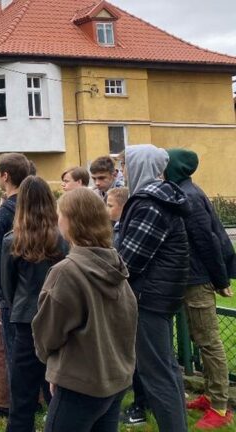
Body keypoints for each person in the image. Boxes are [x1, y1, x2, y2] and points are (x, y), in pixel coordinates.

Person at [33, 188, 138, 432]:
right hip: (115, 378)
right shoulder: (115, 263)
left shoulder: (67, 272)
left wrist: (56, 369)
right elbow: (128, 318)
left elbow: (47, 333)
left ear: (70, 221)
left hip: (80, 383)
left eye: (60, 214)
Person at [116, 144, 188, 432]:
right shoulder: (157, 199)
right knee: (165, 369)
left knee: (156, 373)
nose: (122, 173)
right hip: (158, 296)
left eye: (124, 166)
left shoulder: (150, 204)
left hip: (148, 299)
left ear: (138, 167)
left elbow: (129, 260)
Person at [165, 148, 234, 429]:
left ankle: (219, 407)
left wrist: (220, 281)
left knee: (208, 341)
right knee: (200, 338)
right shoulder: (185, 191)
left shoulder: (188, 196)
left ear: (175, 168)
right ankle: (209, 394)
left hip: (197, 279)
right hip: (191, 277)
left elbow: (208, 241)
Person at [1, 176, 68, 432]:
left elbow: (7, 287)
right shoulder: (62, 238)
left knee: (23, 391)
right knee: (57, 384)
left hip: (25, 318)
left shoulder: (13, 240)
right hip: (59, 317)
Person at [0, 152, 31, 418]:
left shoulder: (1, 215)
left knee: (7, 350)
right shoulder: (34, 207)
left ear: (5, 176)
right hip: (35, 289)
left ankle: (12, 405)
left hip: (9, 293)